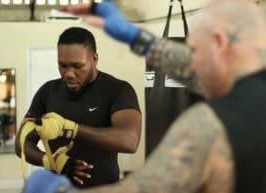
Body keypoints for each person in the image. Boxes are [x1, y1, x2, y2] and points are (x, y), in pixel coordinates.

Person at [22, 0, 266, 193]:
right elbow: (194, 69)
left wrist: (57, 190)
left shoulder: (210, 127)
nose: (190, 64)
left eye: (193, 50)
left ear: (221, 43)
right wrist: (135, 36)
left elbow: (144, 188)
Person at [15, 27, 142, 188]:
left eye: (77, 66)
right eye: (63, 65)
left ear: (94, 59)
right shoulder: (48, 92)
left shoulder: (117, 90)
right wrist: (49, 161)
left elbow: (130, 140)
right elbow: (22, 142)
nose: (68, 73)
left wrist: (70, 129)